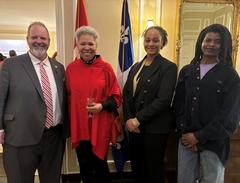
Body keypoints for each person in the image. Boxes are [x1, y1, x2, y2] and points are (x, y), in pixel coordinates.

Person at [0, 21, 69, 183]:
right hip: (20, 136)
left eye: (43, 38)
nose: (39, 41)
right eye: (34, 37)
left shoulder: (59, 68)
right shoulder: (11, 65)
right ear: (27, 39)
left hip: (53, 137)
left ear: (49, 41)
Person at [173, 24, 240, 183]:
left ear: (223, 46)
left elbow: (229, 116)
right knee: (184, 180)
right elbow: (178, 105)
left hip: (214, 143)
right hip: (186, 141)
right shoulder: (187, 71)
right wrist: (185, 133)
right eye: (207, 40)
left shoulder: (230, 75)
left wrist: (199, 137)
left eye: (217, 41)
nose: (211, 44)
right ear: (200, 42)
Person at [66, 26, 122, 183]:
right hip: (80, 126)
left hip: (100, 126)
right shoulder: (70, 69)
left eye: (90, 44)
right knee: (84, 167)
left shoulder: (106, 68)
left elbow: (117, 98)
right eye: (83, 44)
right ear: (77, 45)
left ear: (96, 46)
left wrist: (101, 106)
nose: (87, 47)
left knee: (100, 166)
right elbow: (68, 98)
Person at [123, 25, 177, 183]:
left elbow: (163, 100)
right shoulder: (136, 67)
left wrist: (137, 119)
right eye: (147, 40)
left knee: (154, 172)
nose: (151, 44)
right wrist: (128, 120)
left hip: (155, 129)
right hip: (134, 128)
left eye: (155, 40)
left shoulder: (169, 67)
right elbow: (126, 95)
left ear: (162, 43)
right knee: (137, 169)